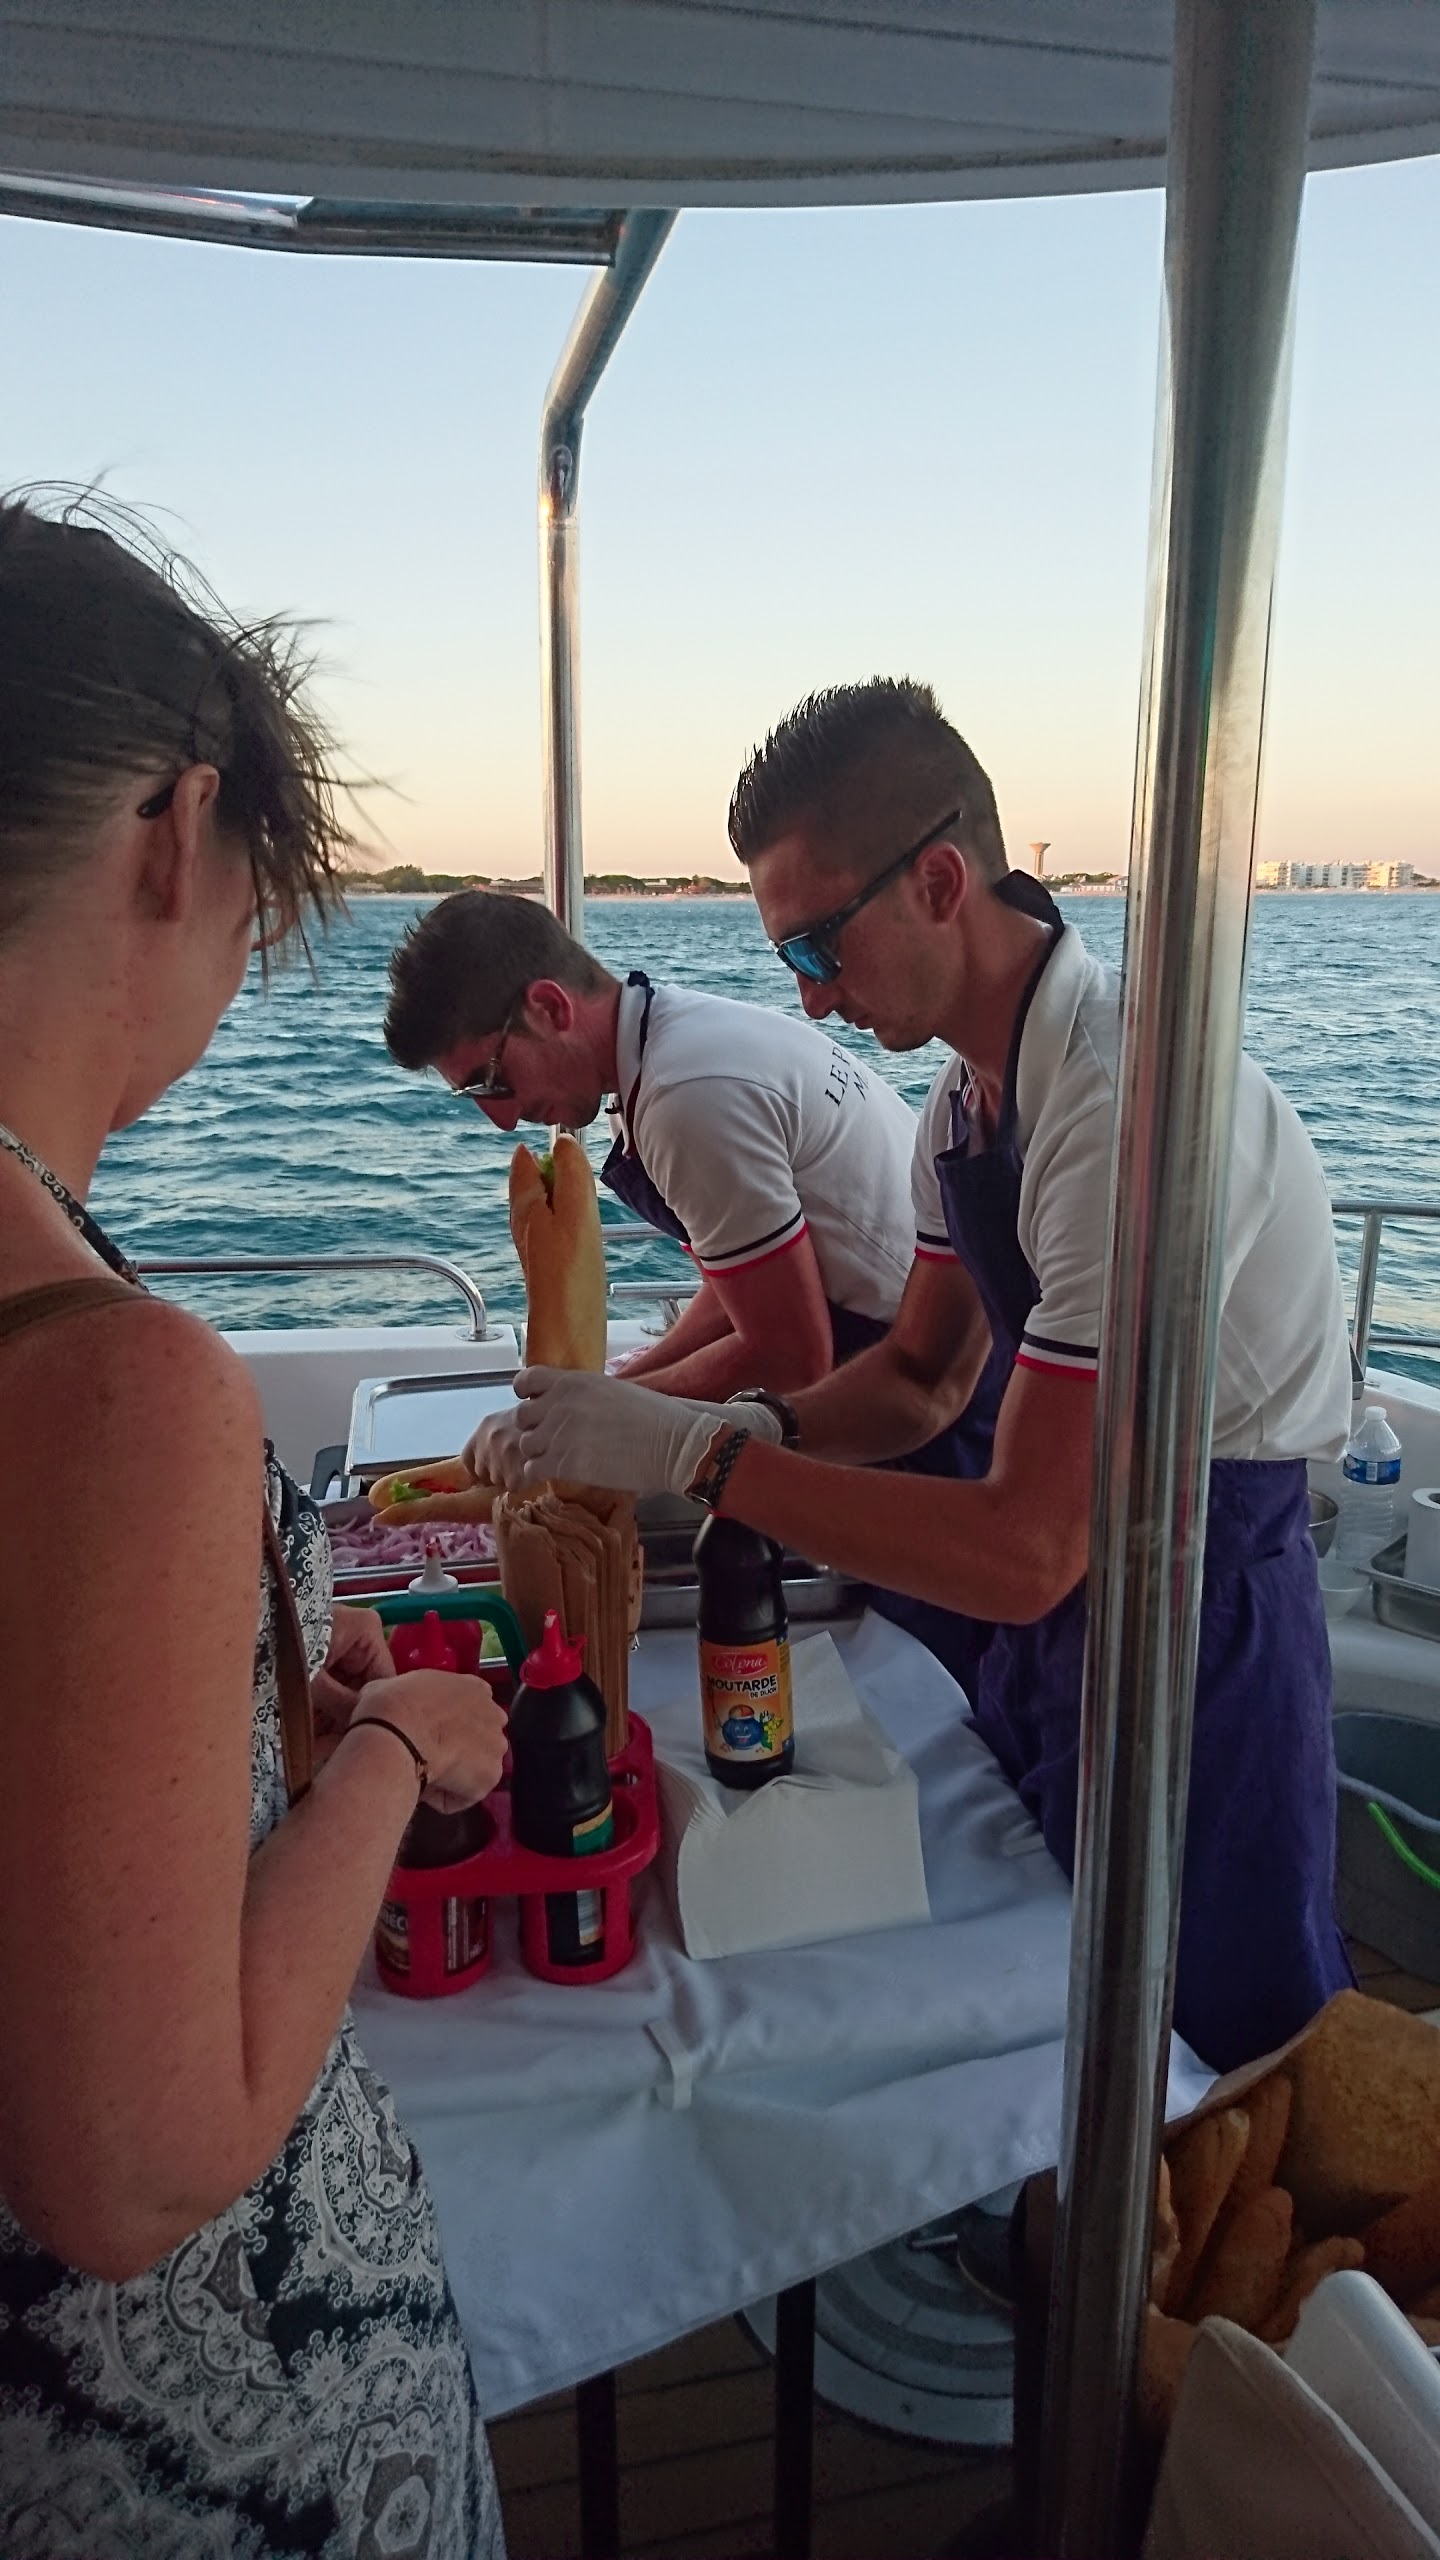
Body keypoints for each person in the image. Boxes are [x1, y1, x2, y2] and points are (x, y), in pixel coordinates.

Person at [488, 679, 1356, 2075]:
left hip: (1201, 1614)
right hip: (1070, 1615)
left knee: (1211, 2045)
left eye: (818, 944)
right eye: (787, 959)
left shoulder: (1122, 1107)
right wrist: (741, 1418)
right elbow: (921, 1378)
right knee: (1062, 1979)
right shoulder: (965, 1102)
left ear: (940, 882)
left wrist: (698, 1456)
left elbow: (1022, 1549)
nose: (811, 996)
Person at [0, 494, 509, 2558]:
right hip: (172, 2452)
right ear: (173, 827)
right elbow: (134, 2168)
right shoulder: (112, 1383)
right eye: (250, 904)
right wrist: (395, 1752)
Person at [385, 889, 1002, 1693]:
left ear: (549, 1007)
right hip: (890, 1367)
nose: (501, 1120)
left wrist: (607, 1424)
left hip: (920, 1408)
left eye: (489, 1080)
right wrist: (602, 1398)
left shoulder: (687, 1096)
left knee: (951, 1686)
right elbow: (736, 1288)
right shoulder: (667, 1049)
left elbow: (791, 1353)